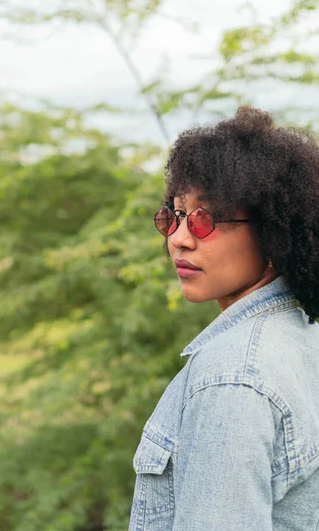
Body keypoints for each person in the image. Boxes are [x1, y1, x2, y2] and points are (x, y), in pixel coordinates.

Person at [128, 106, 319, 531]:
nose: (178, 239)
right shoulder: (303, 335)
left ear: (274, 231)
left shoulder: (233, 376)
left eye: (204, 219)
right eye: (175, 216)